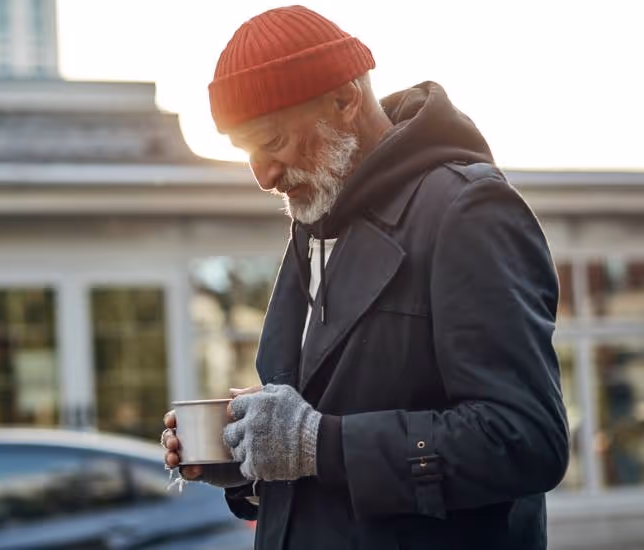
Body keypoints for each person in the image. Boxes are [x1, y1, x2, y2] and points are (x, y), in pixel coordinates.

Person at [161, 5, 569, 549]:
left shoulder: (466, 211)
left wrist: (317, 444)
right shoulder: (314, 226)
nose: (262, 176)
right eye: (246, 152)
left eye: (272, 142)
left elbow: (525, 441)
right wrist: (250, 460)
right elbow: (326, 446)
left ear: (345, 100)